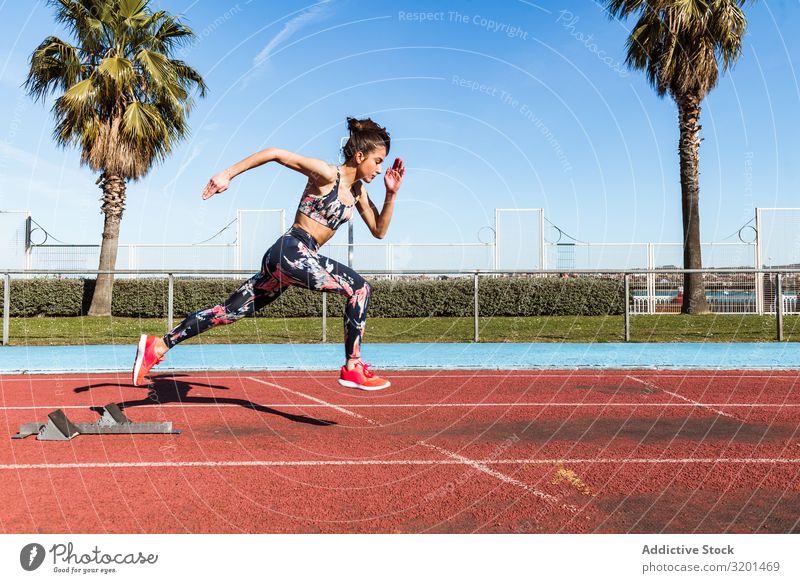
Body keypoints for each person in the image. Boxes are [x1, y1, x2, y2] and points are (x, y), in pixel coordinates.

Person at [132, 117, 405, 390]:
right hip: (291, 251)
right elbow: (274, 153)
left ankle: (158, 346)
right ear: (359, 156)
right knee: (360, 289)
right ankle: (353, 366)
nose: (380, 169)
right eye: (378, 161)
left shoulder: (358, 192)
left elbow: (379, 230)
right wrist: (227, 174)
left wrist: (391, 194)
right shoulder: (326, 174)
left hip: (292, 260)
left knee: (228, 312)